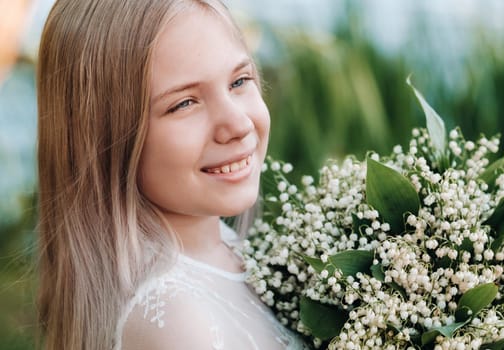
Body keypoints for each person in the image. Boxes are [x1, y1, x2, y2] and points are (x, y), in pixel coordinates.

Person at [37, 0, 308, 349]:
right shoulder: (178, 324)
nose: (238, 125)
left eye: (239, 81)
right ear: (102, 138)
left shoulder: (222, 246)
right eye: (184, 103)